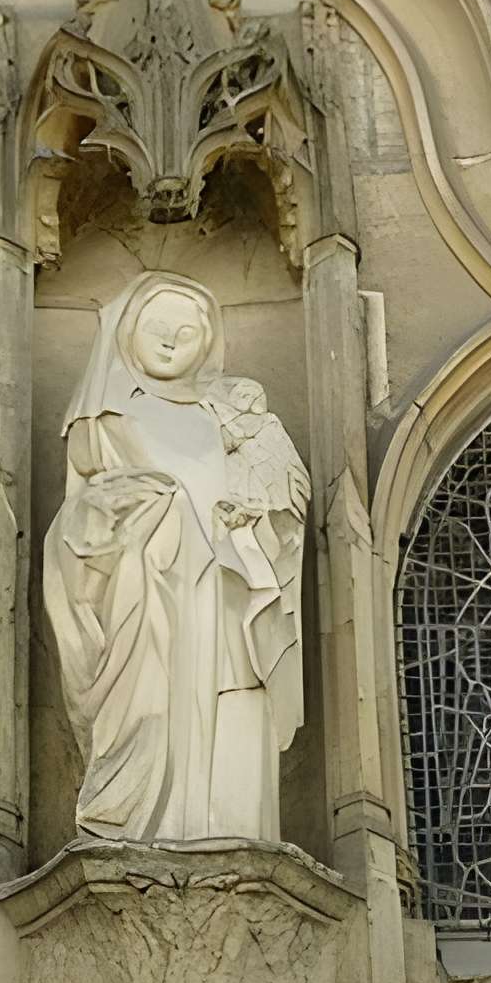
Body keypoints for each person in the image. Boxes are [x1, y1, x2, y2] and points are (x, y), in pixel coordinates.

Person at [45, 272, 309, 844]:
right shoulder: (105, 421)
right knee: (155, 709)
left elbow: (283, 504)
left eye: (187, 331)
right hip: (151, 598)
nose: (170, 340)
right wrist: (148, 507)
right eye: (157, 326)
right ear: (127, 332)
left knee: (235, 706)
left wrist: (253, 517)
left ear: (207, 343)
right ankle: (144, 829)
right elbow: (82, 520)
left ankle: (232, 833)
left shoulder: (232, 420)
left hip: (228, 592)